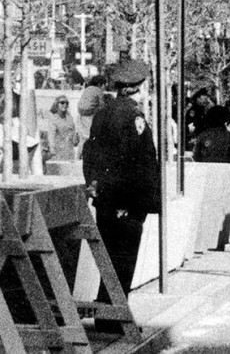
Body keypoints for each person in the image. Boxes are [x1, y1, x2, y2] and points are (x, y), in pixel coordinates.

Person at [82, 60, 160, 299]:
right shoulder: (134, 117)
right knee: (124, 260)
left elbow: (90, 153)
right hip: (127, 201)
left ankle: (108, 313)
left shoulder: (103, 114)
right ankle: (115, 317)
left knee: (109, 259)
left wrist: (95, 186)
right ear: (139, 87)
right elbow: (136, 162)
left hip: (106, 198)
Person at [41, 95, 81, 173]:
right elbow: (51, 137)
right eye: (62, 103)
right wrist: (52, 151)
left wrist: (76, 139)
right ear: (57, 104)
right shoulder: (53, 119)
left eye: (67, 103)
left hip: (69, 153)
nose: (65, 105)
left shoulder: (70, 118)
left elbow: (74, 138)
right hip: (57, 154)